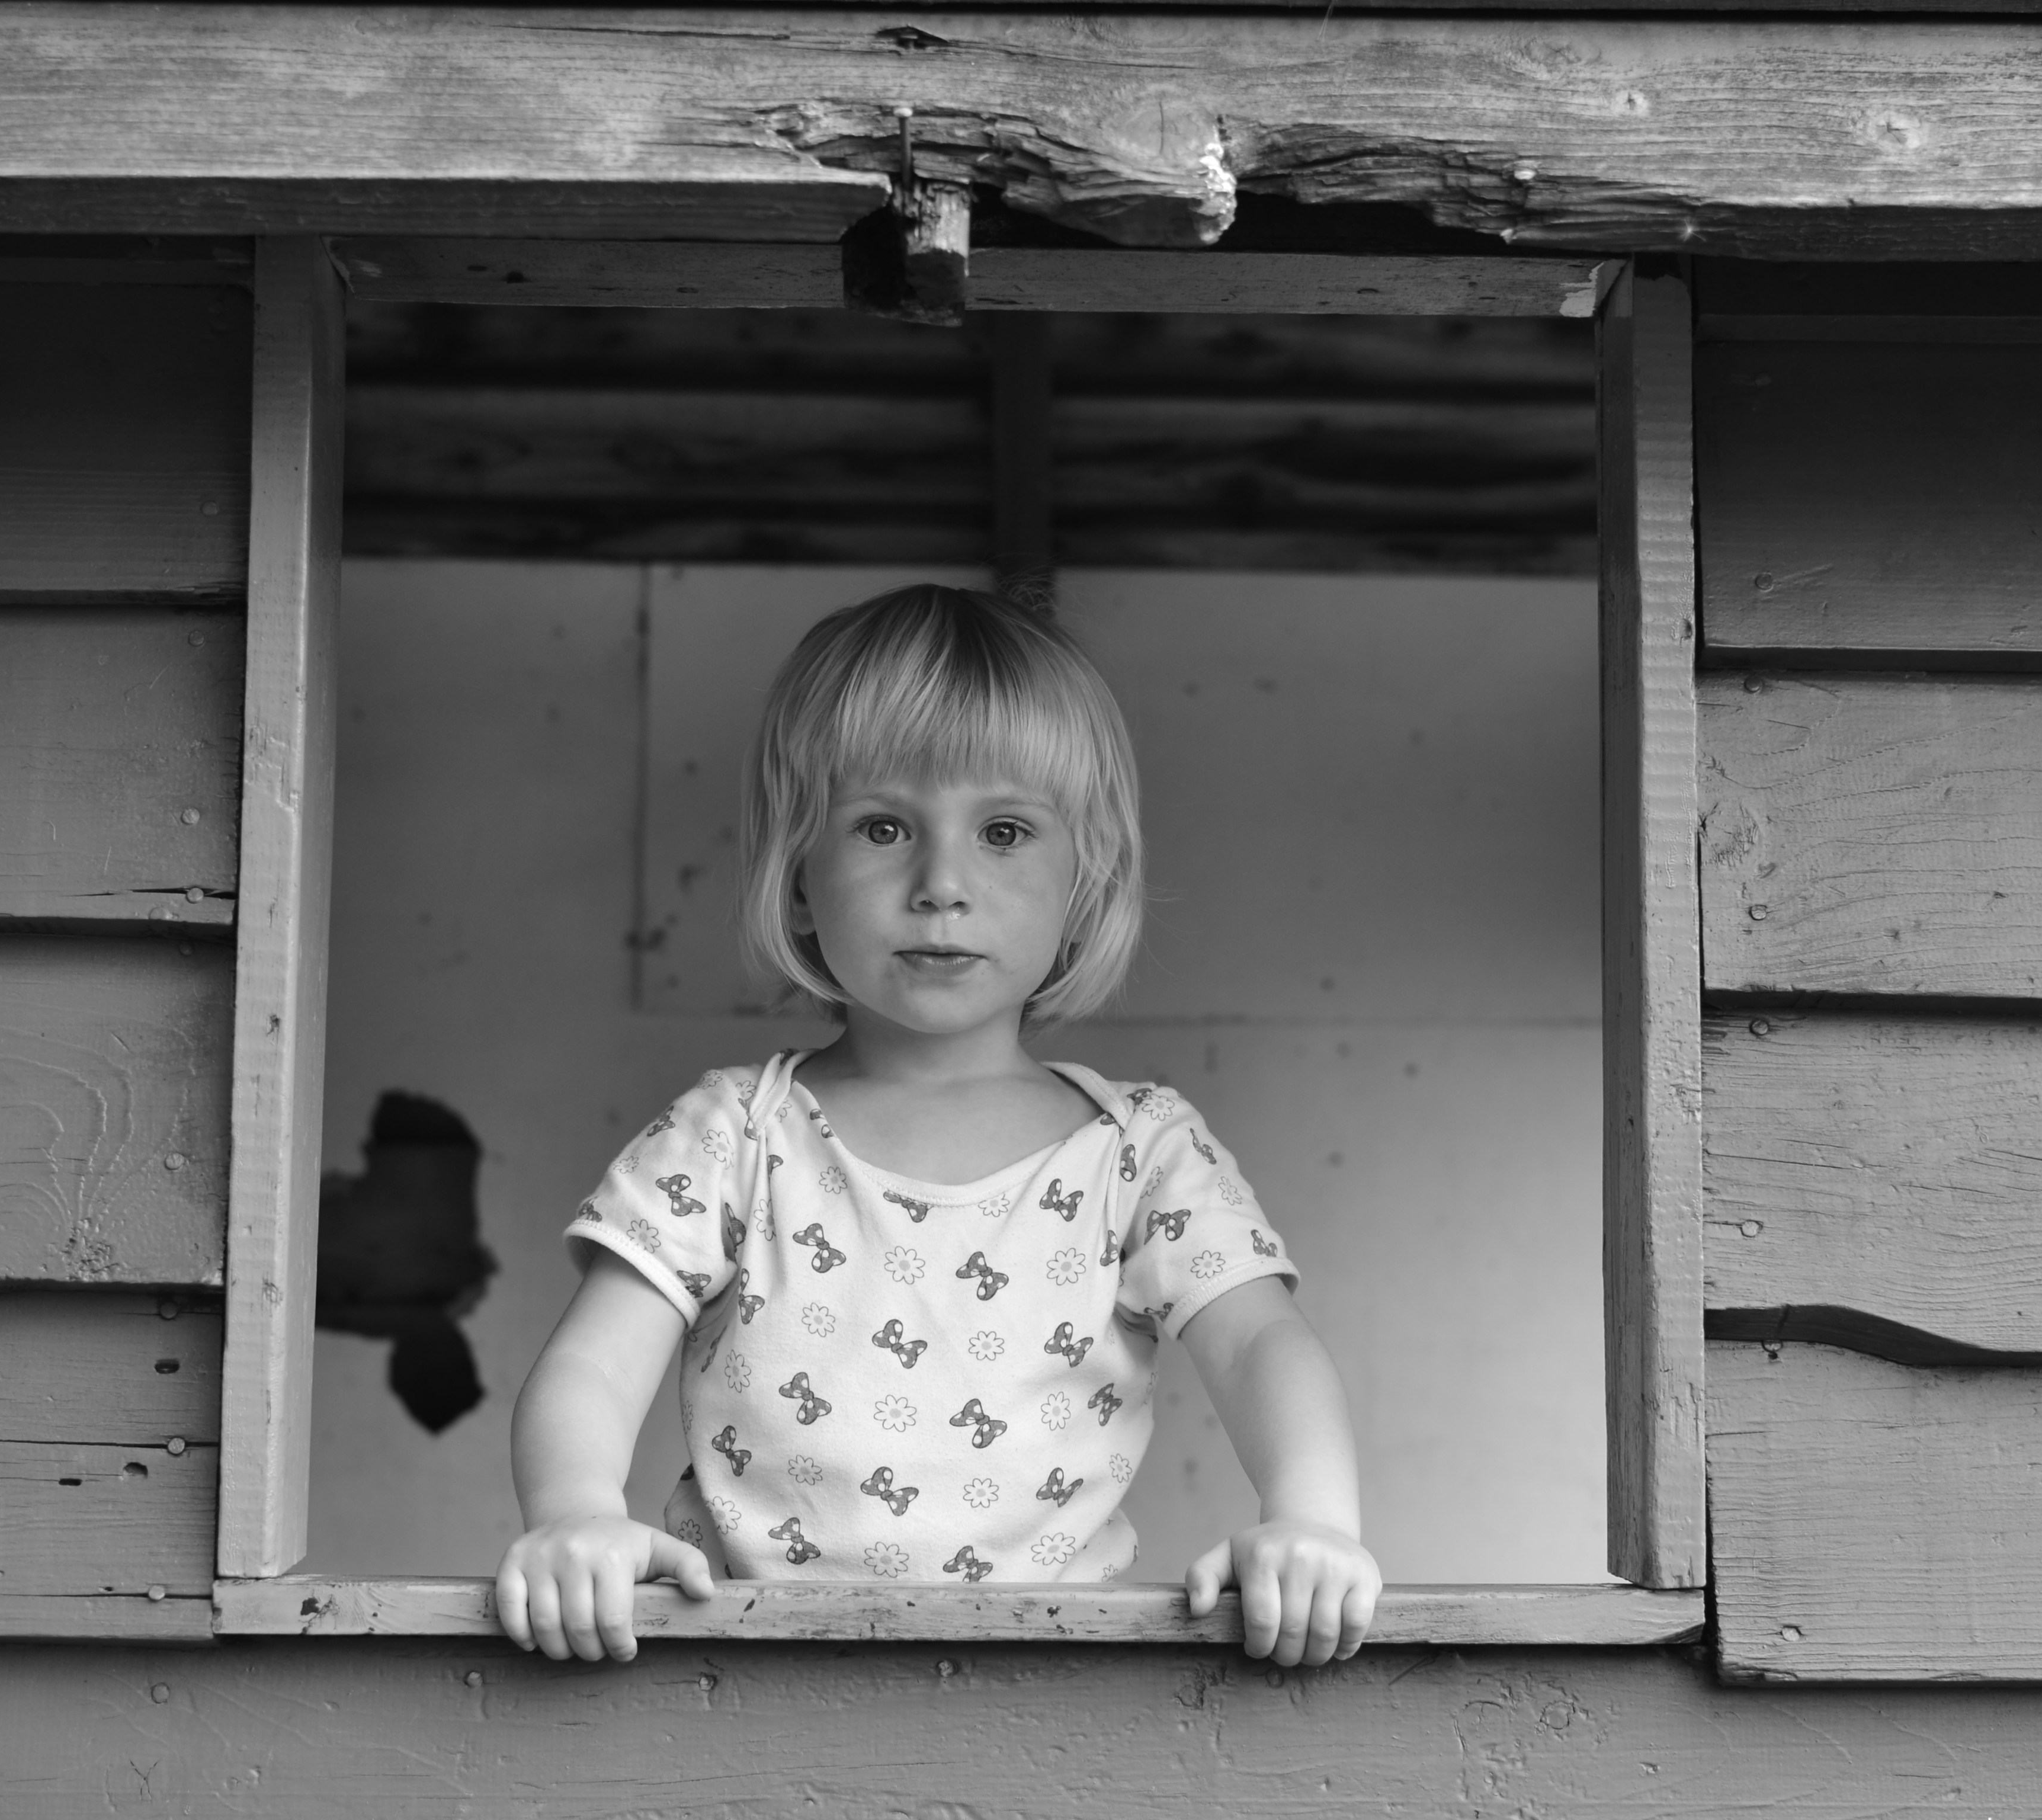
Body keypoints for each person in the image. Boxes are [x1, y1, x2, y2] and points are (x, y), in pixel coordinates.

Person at [498, 584, 1381, 1667]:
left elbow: (1261, 1348)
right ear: (800, 877)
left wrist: (1313, 1521)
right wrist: (576, 1514)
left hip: (1056, 1682)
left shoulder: (1139, 1154)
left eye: (1004, 832)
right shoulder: (734, 1135)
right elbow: (593, 1369)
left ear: (1086, 881)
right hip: (743, 1677)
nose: (942, 885)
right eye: (883, 828)